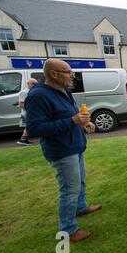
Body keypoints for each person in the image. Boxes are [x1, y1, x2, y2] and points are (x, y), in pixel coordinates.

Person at [25, 59, 101, 243]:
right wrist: (73, 120)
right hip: (61, 150)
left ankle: (80, 208)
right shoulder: (38, 95)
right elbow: (35, 129)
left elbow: (71, 113)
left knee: (80, 181)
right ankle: (68, 231)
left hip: (75, 145)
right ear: (53, 74)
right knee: (69, 189)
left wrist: (85, 122)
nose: (72, 75)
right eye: (68, 72)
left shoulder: (65, 90)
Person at [17, 78, 38, 145]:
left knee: (30, 125)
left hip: (30, 112)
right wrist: (29, 111)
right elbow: (21, 104)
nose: (35, 84)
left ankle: (23, 139)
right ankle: (22, 139)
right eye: (33, 83)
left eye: (36, 83)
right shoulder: (24, 92)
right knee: (29, 126)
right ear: (28, 84)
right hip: (27, 113)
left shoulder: (32, 91)